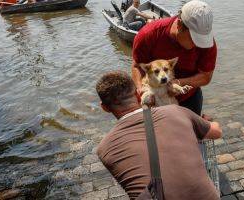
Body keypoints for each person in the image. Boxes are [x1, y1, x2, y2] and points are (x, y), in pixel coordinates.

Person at [95, 71, 222, 200]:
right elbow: (216, 132)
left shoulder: (104, 149)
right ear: (138, 95)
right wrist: (207, 122)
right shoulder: (176, 111)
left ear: (104, 108)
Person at [131, 0, 217, 116]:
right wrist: (142, 91)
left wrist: (178, 83)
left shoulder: (207, 44)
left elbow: (206, 77)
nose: (198, 44)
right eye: (194, 39)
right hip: (154, 98)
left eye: (201, 39)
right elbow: (137, 66)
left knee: (190, 132)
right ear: (180, 24)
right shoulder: (149, 34)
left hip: (188, 98)